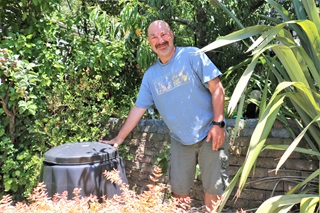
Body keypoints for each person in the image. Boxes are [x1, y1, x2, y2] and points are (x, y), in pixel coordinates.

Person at [100, 20, 229, 211]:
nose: (160, 40)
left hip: (210, 133)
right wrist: (119, 138)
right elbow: (138, 108)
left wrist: (218, 124)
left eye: (163, 35)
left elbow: (217, 87)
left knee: (214, 189)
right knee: (179, 192)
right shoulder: (150, 76)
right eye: (154, 37)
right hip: (180, 141)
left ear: (172, 34)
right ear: (149, 42)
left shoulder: (192, 55)